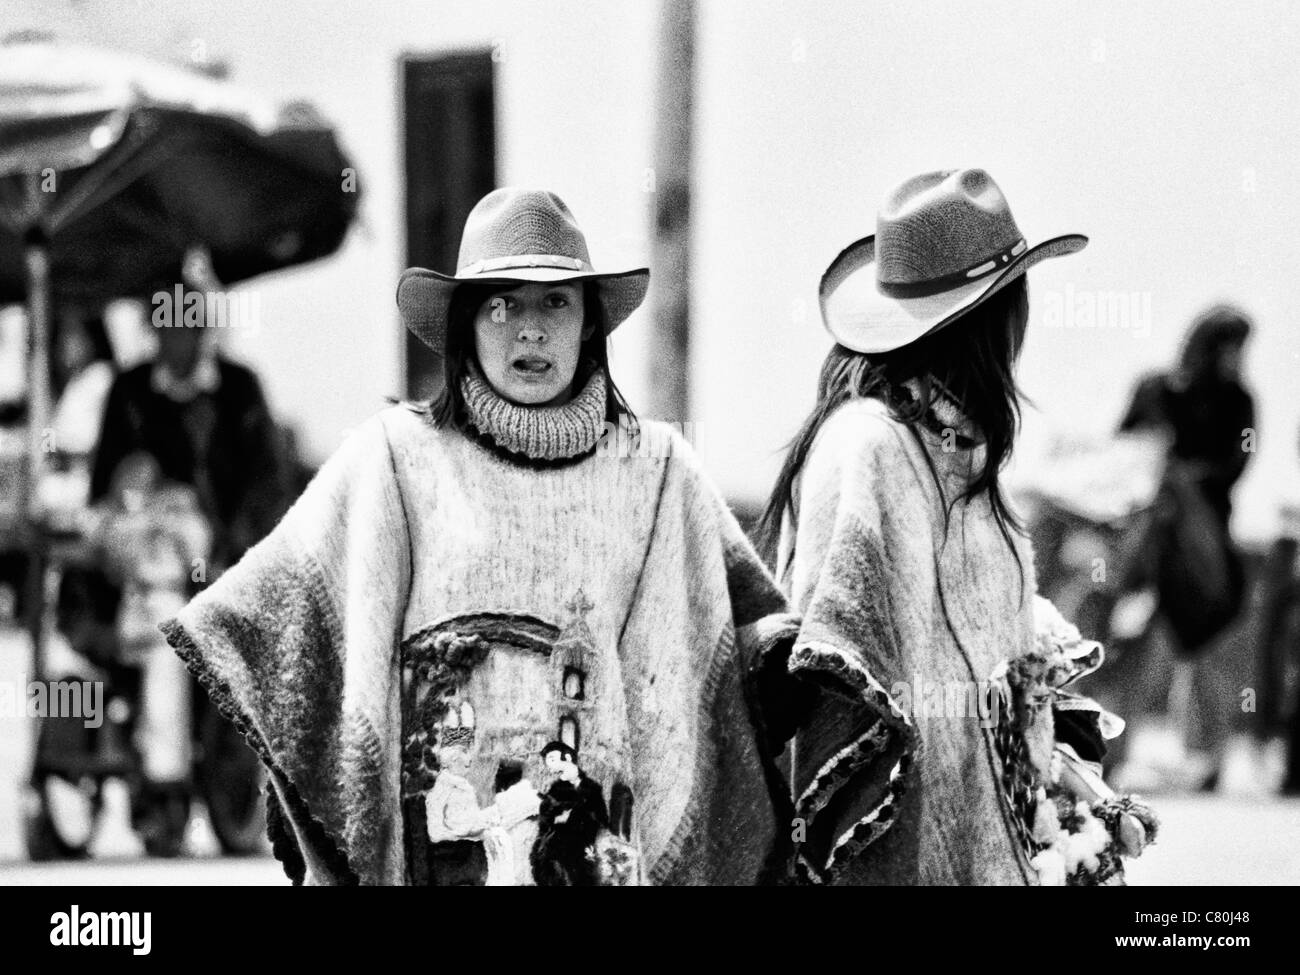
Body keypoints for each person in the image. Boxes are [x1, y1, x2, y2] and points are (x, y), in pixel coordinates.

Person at [161, 188, 801, 885]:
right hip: (436, 858)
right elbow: (278, 623)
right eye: (503, 303)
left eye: (555, 301)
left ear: (590, 323)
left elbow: (737, 657)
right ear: (466, 324)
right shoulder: (394, 462)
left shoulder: (657, 474)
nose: (530, 329)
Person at [758, 169, 1154, 885]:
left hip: (992, 840)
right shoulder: (869, 448)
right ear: (995, 317)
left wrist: (1060, 775)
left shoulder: (959, 451)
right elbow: (841, 680)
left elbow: (991, 645)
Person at [1118, 305, 1254, 790]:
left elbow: (1239, 461)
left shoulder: (1239, 401)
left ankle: (1208, 757)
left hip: (1205, 543)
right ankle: (1114, 746)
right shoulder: (1157, 389)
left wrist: (1191, 480)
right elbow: (1126, 447)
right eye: (1230, 346)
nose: (1237, 357)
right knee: (1137, 641)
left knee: (1210, 639)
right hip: (1151, 539)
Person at [530, 741, 608, 886]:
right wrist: (556, 819)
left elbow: (601, 819)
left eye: (552, 759)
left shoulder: (592, 788)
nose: (549, 764)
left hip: (581, 847)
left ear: (567, 757)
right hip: (555, 852)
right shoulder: (556, 789)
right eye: (547, 761)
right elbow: (545, 818)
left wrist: (573, 818)